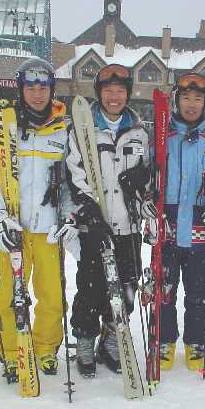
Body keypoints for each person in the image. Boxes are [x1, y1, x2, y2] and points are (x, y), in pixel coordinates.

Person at [0, 57, 73, 378]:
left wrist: (68, 215)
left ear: (51, 89)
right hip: (14, 228)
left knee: (52, 295)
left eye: (43, 87)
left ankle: (45, 348)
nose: (37, 93)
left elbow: (69, 182)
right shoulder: (2, 125)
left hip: (48, 230)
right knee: (10, 294)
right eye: (30, 87)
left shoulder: (63, 129)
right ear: (21, 89)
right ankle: (12, 351)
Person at [142, 72, 205, 372]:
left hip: (198, 226)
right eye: (185, 98)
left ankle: (196, 341)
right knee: (164, 288)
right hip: (166, 224)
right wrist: (147, 201)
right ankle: (164, 339)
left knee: (197, 291)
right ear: (176, 101)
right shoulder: (160, 137)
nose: (191, 104)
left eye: (197, 98)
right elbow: (147, 177)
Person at [65, 64, 150, 377]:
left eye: (120, 91)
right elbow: (75, 173)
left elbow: (149, 175)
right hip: (94, 225)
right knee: (91, 289)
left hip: (128, 226)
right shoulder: (82, 128)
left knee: (126, 288)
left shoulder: (139, 133)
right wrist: (89, 209)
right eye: (108, 91)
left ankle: (113, 340)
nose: (114, 97)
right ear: (99, 93)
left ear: (128, 93)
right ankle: (85, 340)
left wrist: (142, 179)